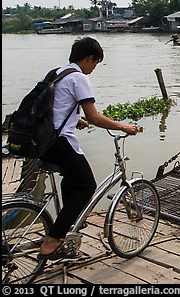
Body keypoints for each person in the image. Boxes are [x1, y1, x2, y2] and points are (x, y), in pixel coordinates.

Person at [37, 37, 140, 261]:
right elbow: (94, 116)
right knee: (87, 186)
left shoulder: (58, 72)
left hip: (43, 140)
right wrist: (122, 126)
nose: (93, 68)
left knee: (72, 179)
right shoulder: (78, 77)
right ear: (89, 58)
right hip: (60, 142)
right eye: (95, 63)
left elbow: (56, 106)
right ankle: (53, 240)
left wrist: (76, 120)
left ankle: (67, 227)